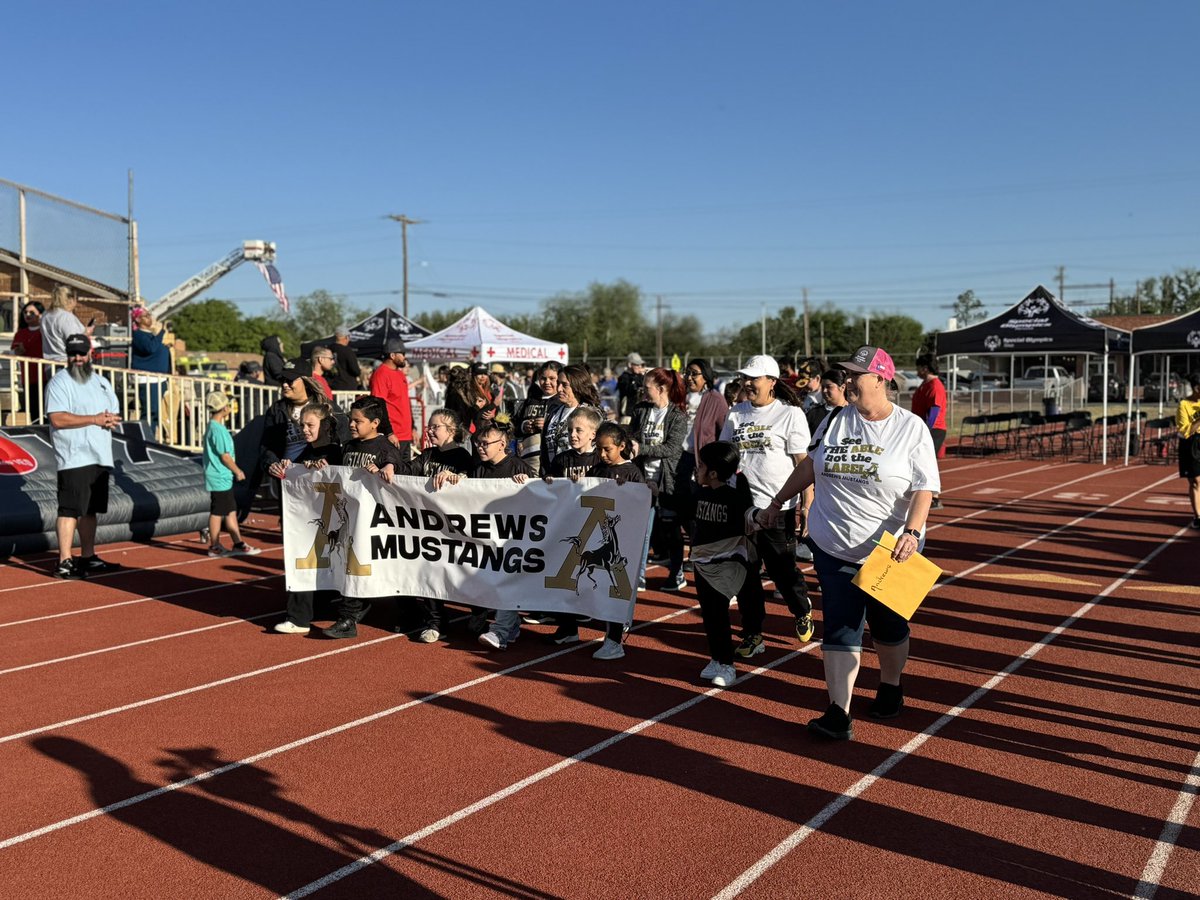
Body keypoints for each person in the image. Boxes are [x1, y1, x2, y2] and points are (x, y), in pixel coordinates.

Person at [767, 345, 939, 741]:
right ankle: (838, 711)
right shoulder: (833, 420)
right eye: (846, 375)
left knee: (888, 625)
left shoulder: (911, 428)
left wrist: (912, 532)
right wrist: (779, 501)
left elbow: (924, 488)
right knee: (842, 627)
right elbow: (811, 464)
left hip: (890, 550)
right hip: (835, 544)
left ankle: (891, 684)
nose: (847, 382)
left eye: (855, 376)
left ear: (881, 380)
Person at [719, 354, 814, 652]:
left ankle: (801, 609)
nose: (747, 383)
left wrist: (806, 504)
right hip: (743, 509)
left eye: (754, 378)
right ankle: (753, 634)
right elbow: (725, 457)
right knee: (745, 575)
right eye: (745, 378)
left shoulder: (790, 415)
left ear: (771, 382)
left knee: (783, 572)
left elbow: (803, 464)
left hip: (778, 508)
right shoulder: (736, 413)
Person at [538, 417, 631, 659]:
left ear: (621, 446)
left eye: (607, 449)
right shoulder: (598, 467)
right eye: (599, 449)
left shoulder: (631, 471)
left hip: (618, 544)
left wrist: (637, 488)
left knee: (614, 589)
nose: (601, 453)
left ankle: (614, 640)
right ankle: (569, 628)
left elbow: (641, 502)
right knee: (575, 580)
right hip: (591, 536)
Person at [680, 440, 765, 688]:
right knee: (709, 613)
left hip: (727, 563)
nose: (697, 470)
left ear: (714, 473)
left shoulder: (734, 496)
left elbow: (749, 516)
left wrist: (763, 516)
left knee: (718, 614)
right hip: (703, 562)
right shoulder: (700, 493)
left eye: (702, 466)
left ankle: (727, 665)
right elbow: (684, 511)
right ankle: (717, 658)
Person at [322, 395, 405, 639]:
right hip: (349, 520)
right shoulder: (348, 446)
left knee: (388, 573)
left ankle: (409, 615)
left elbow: (396, 464)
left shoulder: (384, 447)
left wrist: (388, 468)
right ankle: (349, 617)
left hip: (378, 524)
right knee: (351, 566)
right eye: (350, 419)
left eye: (358, 421)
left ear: (375, 422)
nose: (351, 424)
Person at [45, 334, 122, 579]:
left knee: (90, 510)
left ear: (91, 354)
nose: (77, 358)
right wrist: (95, 419)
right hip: (74, 455)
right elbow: (57, 418)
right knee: (69, 510)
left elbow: (114, 413)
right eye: (72, 354)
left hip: (100, 454)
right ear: (67, 355)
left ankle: (88, 556)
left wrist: (111, 420)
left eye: (81, 353)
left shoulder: (102, 382)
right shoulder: (59, 382)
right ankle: (64, 561)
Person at [272, 399, 344, 636]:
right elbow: (295, 474)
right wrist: (282, 468)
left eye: (310, 425)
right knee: (304, 561)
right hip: (310, 524)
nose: (304, 430)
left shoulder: (335, 451)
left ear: (324, 425)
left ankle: (306, 613)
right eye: (302, 425)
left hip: (333, 523)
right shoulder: (305, 451)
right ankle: (299, 616)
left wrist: (322, 467)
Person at [405, 408, 475, 643]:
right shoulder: (426, 455)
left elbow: (478, 485)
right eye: (429, 426)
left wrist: (460, 478)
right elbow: (406, 473)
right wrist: (388, 465)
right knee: (428, 572)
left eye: (436, 427)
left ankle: (480, 613)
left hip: (457, 530)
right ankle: (435, 621)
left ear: (452, 431)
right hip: (427, 528)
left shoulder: (464, 458)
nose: (430, 431)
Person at [630, 367, 688, 591]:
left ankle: (677, 571)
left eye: (647, 387)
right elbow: (632, 437)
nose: (643, 391)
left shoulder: (677, 415)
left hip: (668, 481)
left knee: (671, 529)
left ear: (661, 388)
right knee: (643, 530)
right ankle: (640, 574)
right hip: (644, 479)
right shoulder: (641, 410)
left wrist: (640, 448)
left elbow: (672, 449)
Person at [202, 391, 260, 558]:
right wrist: (238, 471)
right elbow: (225, 456)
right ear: (224, 408)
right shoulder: (218, 430)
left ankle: (237, 543)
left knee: (230, 511)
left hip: (221, 477)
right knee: (218, 511)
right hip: (219, 477)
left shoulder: (213, 427)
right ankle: (215, 545)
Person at [540, 364, 599, 473]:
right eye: (558, 384)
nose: (559, 389)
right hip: (555, 479)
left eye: (565, 385)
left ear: (577, 385)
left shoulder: (592, 413)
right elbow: (544, 453)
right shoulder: (553, 413)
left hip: (584, 478)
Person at [911, 354, 948, 510]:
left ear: (925, 368)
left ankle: (934, 497)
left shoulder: (935, 385)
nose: (917, 371)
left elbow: (935, 410)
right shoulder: (924, 384)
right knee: (920, 462)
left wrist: (926, 430)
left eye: (919, 368)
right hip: (923, 428)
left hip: (934, 429)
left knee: (927, 463)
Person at [369, 338, 414, 462]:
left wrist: (413, 428)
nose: (405, 357)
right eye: (402, 354)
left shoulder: (400, 374)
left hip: (405, 434)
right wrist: (389, 432)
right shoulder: (381, 374)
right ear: (392, 355)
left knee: (405, 474)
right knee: (391, 475)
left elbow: (405, 403)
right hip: (394, 435)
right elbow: (378, 404)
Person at [130, 310, 172, 441]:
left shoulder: (150, 335)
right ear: (137, 320)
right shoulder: (138, 335)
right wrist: (161, 332)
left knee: (156, 413)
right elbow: (150, 348)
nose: (150, 318)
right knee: (149, 412)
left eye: (150, 315)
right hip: (148, 380)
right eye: (146, 316)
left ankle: (151, 438)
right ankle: (146, 440)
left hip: (159, 379)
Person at [516, 361, 562, 475]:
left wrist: (547, 425)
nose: (547, 382)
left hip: (552, 462)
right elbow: (515, 426)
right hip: (528, 461)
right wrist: (524, 426)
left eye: (552, 378)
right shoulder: (531, 400)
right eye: (543, 378)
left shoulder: (561, 402)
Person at [10, 300, 45, 423]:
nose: (27, 315)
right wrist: (18, 351)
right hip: (29, 378)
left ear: (41, 314)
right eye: (25, 312)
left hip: (46, 376)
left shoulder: (45, 331)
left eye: (32, 312)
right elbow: (13, 352)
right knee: (34, 412)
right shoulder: (21, 333)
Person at [40, 286, 92, 363]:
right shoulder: (65, 317)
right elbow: (75, 342)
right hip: (67, 363)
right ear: (70, 299)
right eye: (75, 299)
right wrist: (86, 334)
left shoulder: (45, 315)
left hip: (50, 363)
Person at [1178, 373, 1200, 529]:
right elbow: (1186, 431)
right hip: (1193, 444)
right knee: (1196, 481)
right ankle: (1198, 516)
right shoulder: (1184, 405)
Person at [326, 325, 362, 391]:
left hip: (331, 386)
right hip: (347, 387)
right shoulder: (347, 351)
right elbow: (356, 370)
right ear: (346, 337)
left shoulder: (328, 349)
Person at [616, 352, 647, 423]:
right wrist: (635, 378)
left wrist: (643, 375)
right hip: (628, 414)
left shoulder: (640, 377)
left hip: (639, 412)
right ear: (630, 365)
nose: (639, 366)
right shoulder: (624, 377)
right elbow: (630, 389)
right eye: (636, 364)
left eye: (641, 365)